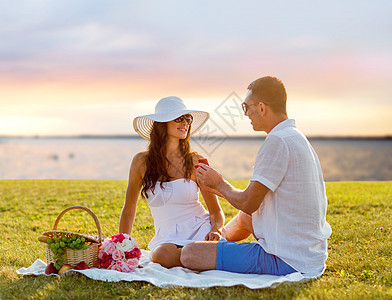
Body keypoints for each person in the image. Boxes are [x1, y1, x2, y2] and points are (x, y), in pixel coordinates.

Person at [180, 76, 332, 277]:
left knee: (190, 254)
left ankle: (214, 248)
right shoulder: (295, 137)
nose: (246, 114)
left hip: (285, 260)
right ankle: (219, 241)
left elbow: (249, 202)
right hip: (308, 255)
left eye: (246, 107)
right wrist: (217, 193)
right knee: (247, 219)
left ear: (262, 108)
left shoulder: (277, 141)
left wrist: (218, 183)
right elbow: (252, 209)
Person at [119, 96, 224, 268]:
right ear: (162, 124)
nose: (185, 123)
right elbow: (129, 211)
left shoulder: (196, 161)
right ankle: (202, 259)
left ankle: (201, 256)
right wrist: (121, 246)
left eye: (188, 118)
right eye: (179, 118)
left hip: (201, 231)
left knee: (185, 252)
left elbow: (216, 211)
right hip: (167, 240)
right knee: (161, 255)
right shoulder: (140, 162)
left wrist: (216, 230)